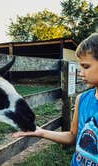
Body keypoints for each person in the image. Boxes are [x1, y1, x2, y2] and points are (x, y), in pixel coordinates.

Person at [12, 33, 98, 166]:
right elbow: (73, 136)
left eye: (86, 67)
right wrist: (41, 132)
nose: (80, 73)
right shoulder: (81, 99)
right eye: (80, 67)